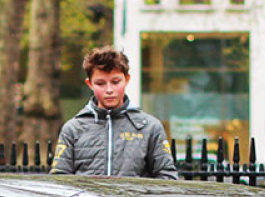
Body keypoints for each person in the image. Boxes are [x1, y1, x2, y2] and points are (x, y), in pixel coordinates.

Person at [51, 46, 177, 178]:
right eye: (100, 83)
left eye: (115, 82)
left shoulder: (149, 127)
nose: (109, 89)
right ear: (90, 84)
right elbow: (59, 180)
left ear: (127, 80)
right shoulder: (73, 129)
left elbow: (167, 178)